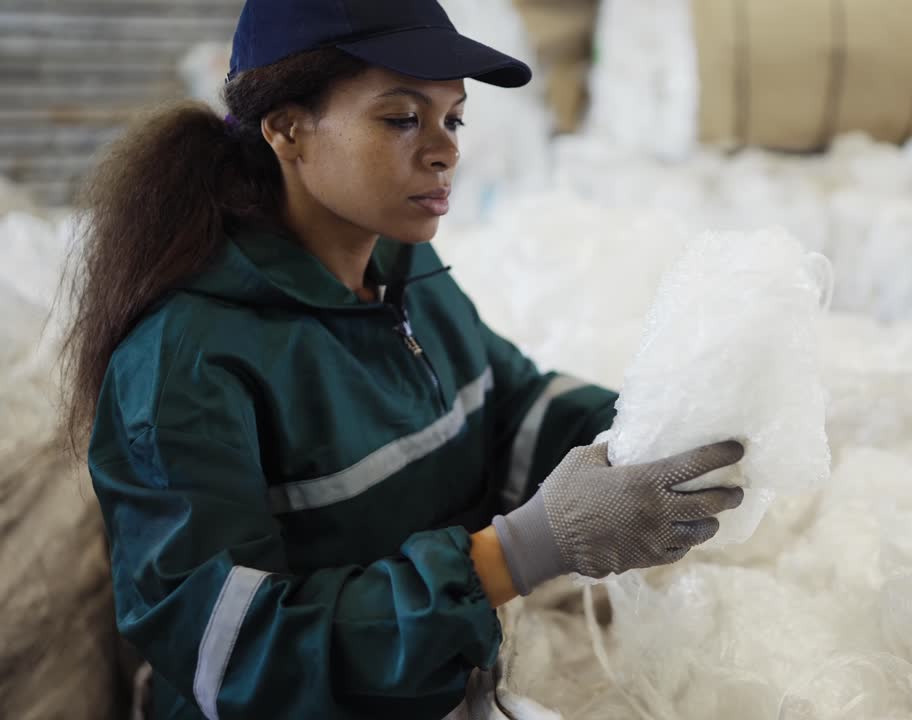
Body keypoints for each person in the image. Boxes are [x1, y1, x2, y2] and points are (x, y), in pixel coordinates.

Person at [61, 1, 746, 717]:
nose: (444, 149)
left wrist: (659, 433)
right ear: (286, 128)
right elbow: (236, 658)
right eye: (401, 118)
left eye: (453, 118)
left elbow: (505, 406)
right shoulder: (186, 364)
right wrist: (515, 555)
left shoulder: (401, 266)